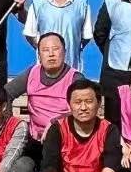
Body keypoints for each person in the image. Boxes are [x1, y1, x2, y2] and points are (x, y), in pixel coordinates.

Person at [23, 78, 130, 172]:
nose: (83, 107)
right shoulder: (57, 128)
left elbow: (110, 167)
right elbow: (49, 168)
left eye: (89, 101)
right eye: (77, 102)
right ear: (70, 105)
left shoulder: (109, 129)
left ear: (99, 103)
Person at [5, 31, 77, 161]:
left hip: (65, 142)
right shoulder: (31, 73)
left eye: (55, 49)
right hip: (34, 140)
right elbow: (5, 94)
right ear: (39, 55)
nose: (51, 54)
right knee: (21, 166)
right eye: (45, 50)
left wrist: (56, 122)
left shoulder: (75, 78)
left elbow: (83, 109)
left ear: (65, 52)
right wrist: (11, 124)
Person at [23, 0, 92, 71]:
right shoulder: (37, 5)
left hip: (72, 66)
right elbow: (30, 34)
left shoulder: (82, 6)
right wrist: (44, 49)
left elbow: (86, 37)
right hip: (45, 68)